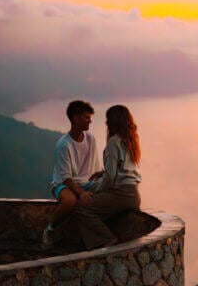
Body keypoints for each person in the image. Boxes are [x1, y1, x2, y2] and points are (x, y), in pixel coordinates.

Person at [72, 104, 142, 250]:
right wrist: (103, 173)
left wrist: (94, 191)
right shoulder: (130, 140)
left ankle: (107, 240)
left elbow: (111, 178)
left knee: (82, 207)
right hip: (133, 194)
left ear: (111, 122)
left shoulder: (113, 142)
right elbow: (123, 170)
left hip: (122, 193)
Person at [42, 100, 103, 248]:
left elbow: (93, 167)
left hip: (86, 182)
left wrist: (102, 174)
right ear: (75, 118)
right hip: (63, 184)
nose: (90, 120)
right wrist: (81, 192)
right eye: (86, 117)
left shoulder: (90, 139)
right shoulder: (64, 145)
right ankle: (50, 229)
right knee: (70, 201)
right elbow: (66, 177)